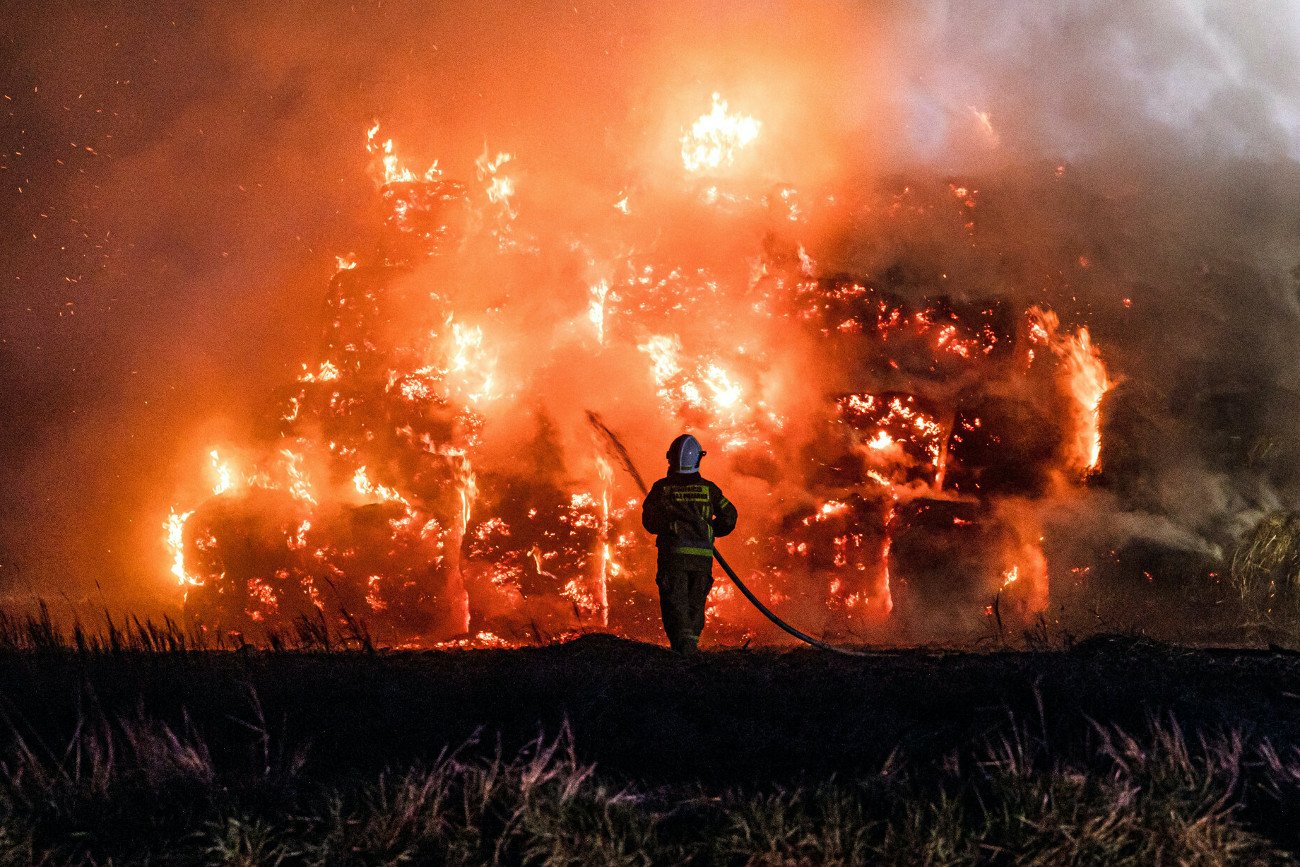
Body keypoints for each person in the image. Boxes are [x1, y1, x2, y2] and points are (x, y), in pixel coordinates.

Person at [641, 434, 738, 654]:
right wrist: (711, 531)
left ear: (670, 459)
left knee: (675, 605)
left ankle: (683, 653)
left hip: (673, 558)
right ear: (698, 460)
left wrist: (668, 522)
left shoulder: (662, 489)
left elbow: (650, 523)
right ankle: (690, 649)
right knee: (695, 605)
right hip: (701, 560)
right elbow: (730, 517)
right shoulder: (708, 490)